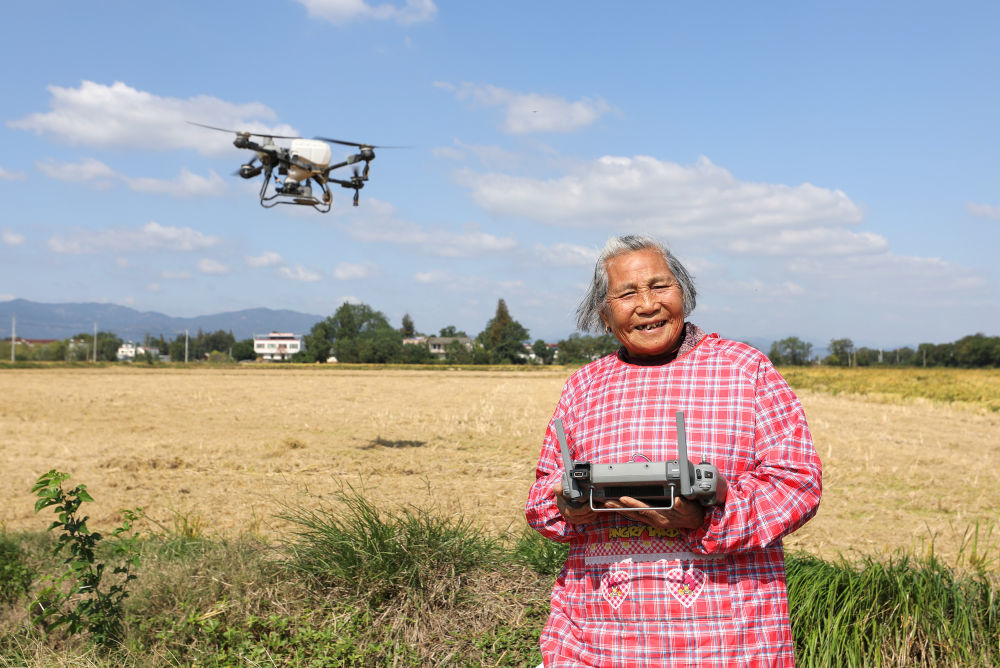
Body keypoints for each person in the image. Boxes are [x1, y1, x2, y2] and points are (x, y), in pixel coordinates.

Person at [525, 234, 822, 667]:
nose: (647, 305)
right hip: (598, 642)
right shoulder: (583, 387)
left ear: (685, 294)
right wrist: (569, 507)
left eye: (660, 286)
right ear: (605, 316)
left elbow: (797, 484)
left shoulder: (745, 370)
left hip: (728, 641)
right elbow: (540, 497)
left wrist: (707, 517)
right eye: (627, 293)